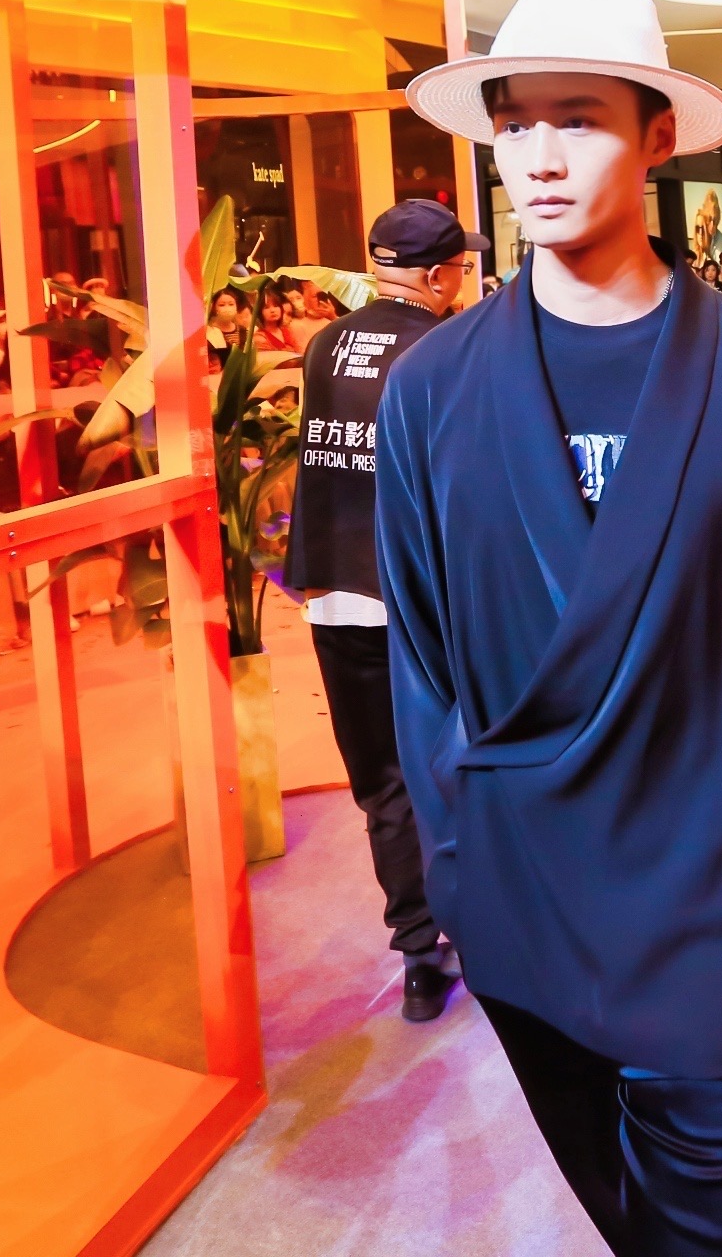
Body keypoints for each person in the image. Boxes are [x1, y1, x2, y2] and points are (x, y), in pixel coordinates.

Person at [381, 0, 722, 1257]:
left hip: (718, 917)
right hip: (524, 914)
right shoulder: (433, 392)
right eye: (515, 123)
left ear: (658, 135)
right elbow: (425, 666)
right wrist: (458, 871)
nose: (540, 158)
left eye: (579, 120)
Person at [286, 200, 481, 1024]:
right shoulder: (443, 350)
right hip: (413, 600)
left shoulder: (324, 344)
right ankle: (488, 931)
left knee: (382, 786)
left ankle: (418, 956)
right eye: (460, 269)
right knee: (456, 767)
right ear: (436, 275)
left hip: (333, 591)